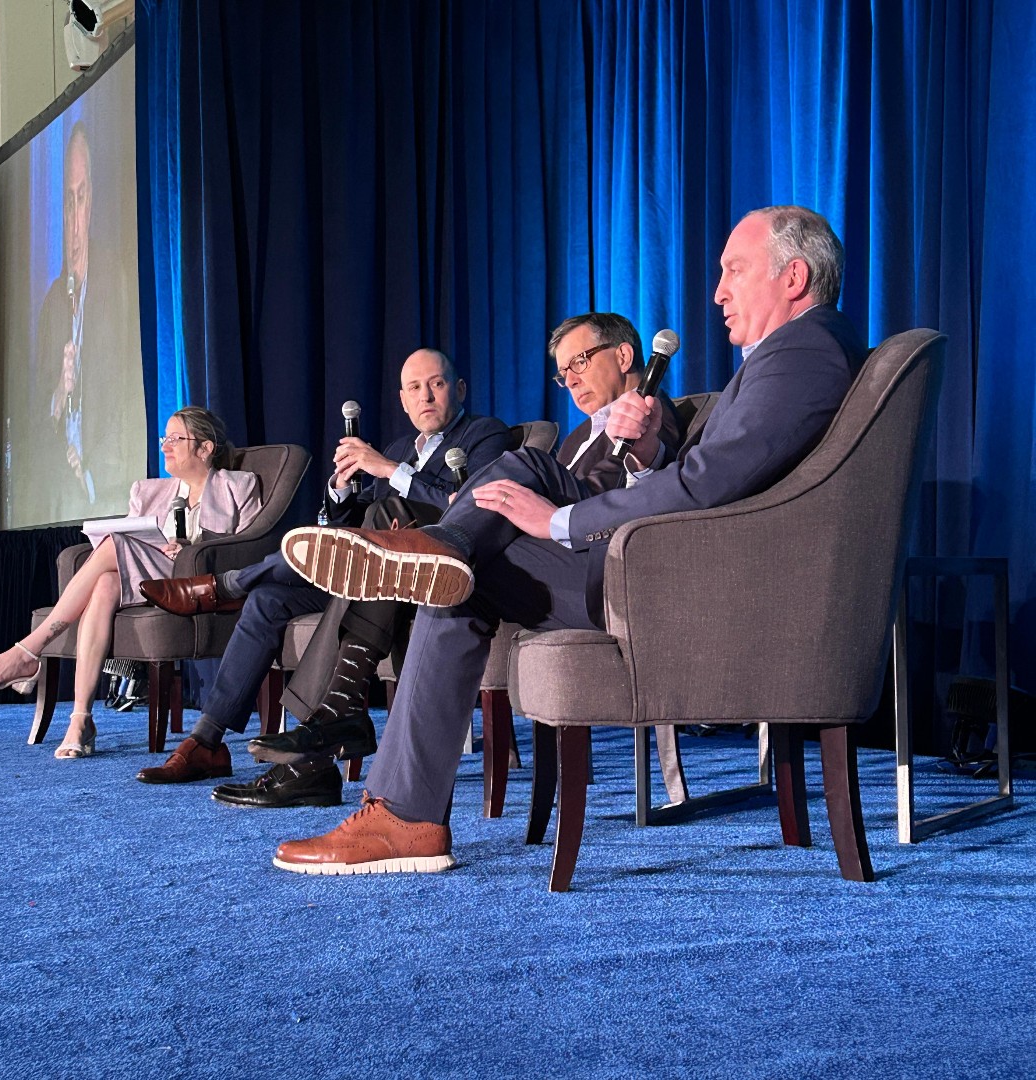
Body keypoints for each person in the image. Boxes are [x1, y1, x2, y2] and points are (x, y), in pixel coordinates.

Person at [268, 205, 870, 876]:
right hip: (667, 567)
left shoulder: (804, 352)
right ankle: (404, 801)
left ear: (793, 276)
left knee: (476, 545)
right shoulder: (794, 354)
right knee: (471, 556)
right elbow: (714, 481)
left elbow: (704, 487)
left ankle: (405, 811)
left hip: (680, 589)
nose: (718, 291)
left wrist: (556, 522)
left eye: (734, 270)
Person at [240, 312, 695, 793]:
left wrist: (642, 449)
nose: (571, 380)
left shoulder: (652, 411)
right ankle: (333, 727)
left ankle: (434, 549)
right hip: (541, 557)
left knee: (511, 476)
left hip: (600, 570)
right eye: (563, 373)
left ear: (624, 355)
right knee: (427, 568)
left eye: (579, 361)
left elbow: (643, 494)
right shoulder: (581, 436)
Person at [133, 349, 510, 793]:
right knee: (269, 600)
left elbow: (468, 507)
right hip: (370, 578)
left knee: (383, 514)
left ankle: (227, 589)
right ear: (402, 400)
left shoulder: (486, 434)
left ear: (459, 389)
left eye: (437, 383)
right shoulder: (398, 448)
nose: (425, 395)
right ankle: (206, 741)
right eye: (414, 388)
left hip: (430, 580)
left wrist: (388, 472)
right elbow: (352, 525)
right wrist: (341, 491)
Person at [0, 407, 260, 759]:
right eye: (163, 438)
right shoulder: (148, 492)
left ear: (205, 447)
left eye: (174, 439)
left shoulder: (238, 485)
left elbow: (248, 548)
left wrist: (193, 546)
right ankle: (80, 719)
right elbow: (135, 542)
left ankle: (29, 651)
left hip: (199, 581)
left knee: (112, 547)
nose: (165, 446)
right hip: (150, 577)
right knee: (105, 583)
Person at [35, 120, 144, 519]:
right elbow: (35, 426)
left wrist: (93, 474)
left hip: (110, 489)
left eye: (82, 198)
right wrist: (60, 394)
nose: (75, 219)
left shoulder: (116, 282)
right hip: (66, 494)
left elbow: (128, 399)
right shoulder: (51, 304)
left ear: (93, 201)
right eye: (68, 201)